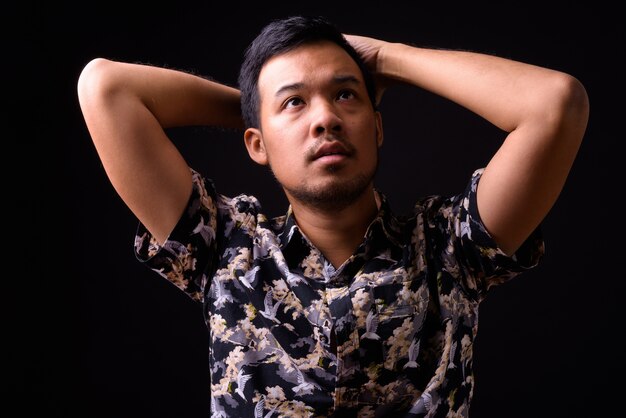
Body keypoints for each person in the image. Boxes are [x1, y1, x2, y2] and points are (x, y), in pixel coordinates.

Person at [77, 15, 588, 418]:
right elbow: (106, 89)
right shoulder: (225, 249)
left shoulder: (450, 249)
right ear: (254, 144)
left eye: (345, 95)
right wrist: (260, 110)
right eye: (297, 103)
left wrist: (391, 58)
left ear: (379, 128)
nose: (325, 118)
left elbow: (555, 103)